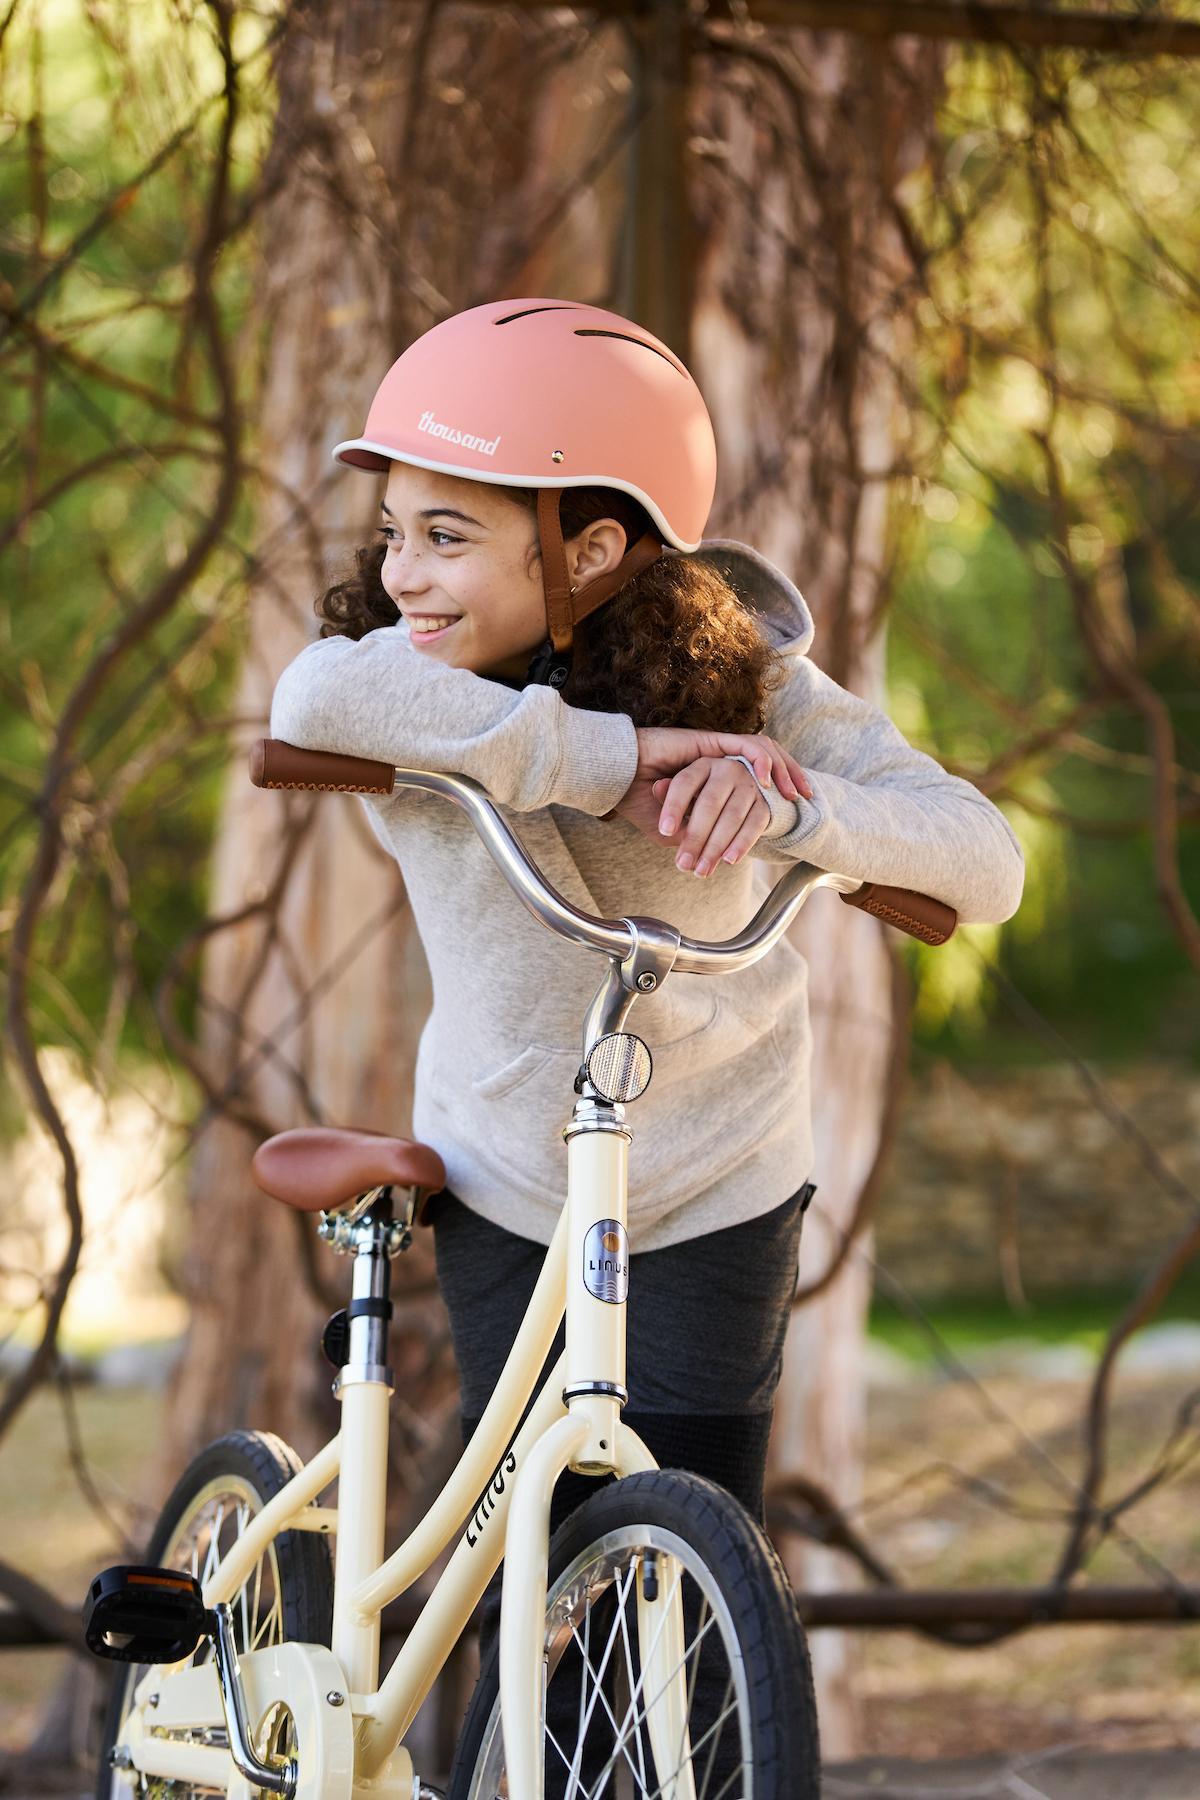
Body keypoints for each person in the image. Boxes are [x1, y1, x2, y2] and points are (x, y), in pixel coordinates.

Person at [269, 296, 1025, 1781]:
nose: (401, 574)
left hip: (722, 1171)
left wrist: (797, 805)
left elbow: (982, 860)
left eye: (447, 536)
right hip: (509, 1167)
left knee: (687, 1577)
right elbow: (314, 690)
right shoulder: (413, 681)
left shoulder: (757, 686)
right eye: (394, 532)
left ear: (593, 549)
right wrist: (612, 766)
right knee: (531, 1565)